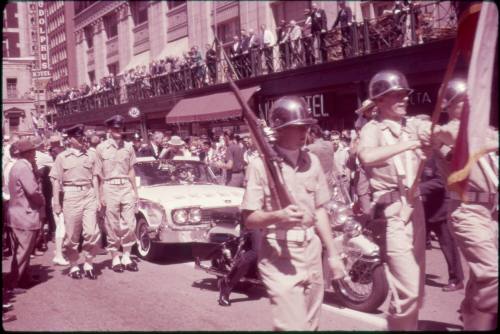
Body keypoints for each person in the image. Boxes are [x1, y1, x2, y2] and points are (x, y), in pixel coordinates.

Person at [241, 96, 346, 330]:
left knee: (310, 326)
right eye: (297, 127)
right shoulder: (261, 165)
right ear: (279, 130)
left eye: (306, 127)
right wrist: (278, 216)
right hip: (279, 254)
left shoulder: (313, 161)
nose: (304, 132)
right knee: (293, 328)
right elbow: (249, 218)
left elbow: (319, 210)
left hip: (312, 251)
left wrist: (334, 255)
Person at [357, 69, 427, 330]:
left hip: (415, 207)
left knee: (416, 289)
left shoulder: (413, 125)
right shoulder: (373, 129)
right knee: (407, 287)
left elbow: (438, 135)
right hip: (390, 209)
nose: (403, 99)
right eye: (396, 96)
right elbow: (367, 156)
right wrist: (408, 145)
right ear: (380, 101)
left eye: (405, 95)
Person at [429, 78, 498, 330]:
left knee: (481, 277)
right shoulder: (448, 131)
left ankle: (471, 317)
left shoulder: (482, 129)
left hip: (490, 210)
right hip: (467, 211)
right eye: (462, 101)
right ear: (449, 105)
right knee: (492, 276)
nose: (470, 104)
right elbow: (468, 144)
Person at [50, 124, 101, 279]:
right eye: (77, 137)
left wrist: (98, 198)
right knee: (72, 235)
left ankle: (88, 263)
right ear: (70, 139)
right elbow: (55, 181)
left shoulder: (91, 155)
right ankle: (73, 265)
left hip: (89, 194)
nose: (81, 140)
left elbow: (94, 178)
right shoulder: (62, 157)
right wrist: (57, 203)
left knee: (92, 232)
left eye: (82, 137)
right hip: (70, 196)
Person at [96, 115, 139, 273]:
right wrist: (100, 195)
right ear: (109, 130)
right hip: (109, 187)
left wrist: (136, 192)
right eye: (115, 128)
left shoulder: (128, 147)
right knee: (112, 224)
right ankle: (115, 257)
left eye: (120, 128)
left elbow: (131, 170)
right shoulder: (101, 148)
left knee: (130, 222)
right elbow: (98, 174)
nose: (118, 131)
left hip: (126, 186)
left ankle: (127, 256)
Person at [419, 157, 464, 292]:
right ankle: (413, 277)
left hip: (440, 210)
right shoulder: (420, 157)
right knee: (416, 245)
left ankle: (456, 279)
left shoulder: (437, 158)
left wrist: (417, 188)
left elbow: (440, 182)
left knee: (448, 246)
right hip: (424, 209)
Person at [6, 139, 45, 292]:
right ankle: (13, 283)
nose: (35, 154)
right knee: (23, 251)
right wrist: (42, 201)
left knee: (23, 249)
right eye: (33, 151)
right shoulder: (23, 167)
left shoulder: (17, 166)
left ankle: (24, 278)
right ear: (28, 153)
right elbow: (33, 191)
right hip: (24, 214)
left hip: (17, 213)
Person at [307, 124, 335, 191]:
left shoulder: (310, 148)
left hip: (319, 187)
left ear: (313, 134)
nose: (307, 137)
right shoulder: (330, 144)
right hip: (330, 184)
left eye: (307, 134)